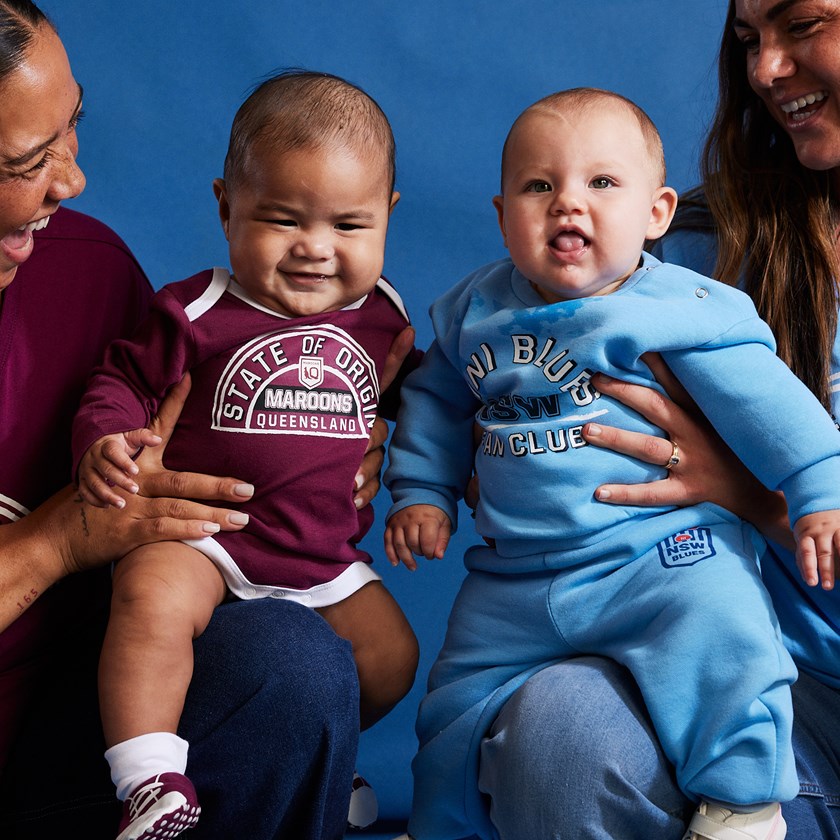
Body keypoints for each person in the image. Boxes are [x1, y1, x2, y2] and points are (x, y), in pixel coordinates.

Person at [384, 86, 840, 840]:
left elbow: (771, 403)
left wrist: (817, 486)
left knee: (724, 638)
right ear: (502, 216)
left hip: (662, 559)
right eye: (539, 186)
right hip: (517, 578)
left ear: (654, 215)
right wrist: (422, 489)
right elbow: (436, 402)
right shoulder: (475, 312)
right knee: (455, 703)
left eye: (601, 183)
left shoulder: (685, 304)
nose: (569, 205)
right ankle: (443, 823)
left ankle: (744, 799)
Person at [0, 5, 399, 839]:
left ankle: (164, 787)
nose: (71, 181)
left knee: (299, 664)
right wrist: (59, 538)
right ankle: (146, 777)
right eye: (28, 161)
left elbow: (147, 390)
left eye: (73, 129)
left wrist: (383, 442)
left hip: (71, 717)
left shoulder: (82, 267)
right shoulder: (193, 306)